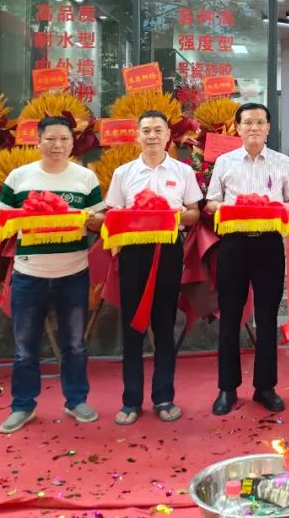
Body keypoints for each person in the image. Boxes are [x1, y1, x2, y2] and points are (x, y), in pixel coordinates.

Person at [0, 117, 104, 433]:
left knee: (75, 344)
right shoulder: (19, 177)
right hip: (29, 274)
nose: (58, 145)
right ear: (38, 141)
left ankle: (76, 400)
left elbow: (100, 217)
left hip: (74, 273)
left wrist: (89, 219)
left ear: (73, 142)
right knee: (25, 347)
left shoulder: (85, 177)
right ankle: (23, 405)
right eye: (51, 139)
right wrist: (24, 217)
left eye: (64, 139)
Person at [104, 110, 202, 425]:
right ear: (137, 136)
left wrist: (172, 214)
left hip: (168, 251)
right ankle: (130, 400)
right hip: (133, 254)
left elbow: (194, 213)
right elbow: (112, 213)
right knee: (132, 327)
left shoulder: (182, 171)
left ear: (168, 135)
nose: (152, 136)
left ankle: (164, 397)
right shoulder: (123, 173)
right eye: (146, 130)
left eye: (158, 130)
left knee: (164, 325)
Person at [206, 103, 289, 416]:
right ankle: (227, 388)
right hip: (233, 245)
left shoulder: (282, 162)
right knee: (230, 317)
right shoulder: (225, 161)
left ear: (268, 127)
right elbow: (211, 202)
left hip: (269, 246)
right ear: (238, 127)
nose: (254, 127)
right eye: (247, 122)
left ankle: (265, 387)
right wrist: (226, 209)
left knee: (267, 317)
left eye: (260, 122)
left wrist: (274, 209)